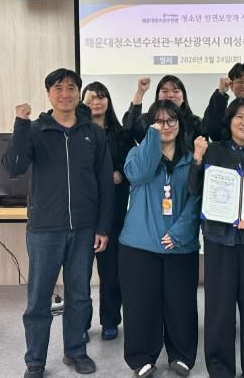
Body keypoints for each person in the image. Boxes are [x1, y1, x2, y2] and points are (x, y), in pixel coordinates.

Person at [2, 68, 114, 378]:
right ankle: (35, 361)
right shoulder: (35, 130)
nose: (65, 94)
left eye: (71, 88)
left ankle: (75, 351)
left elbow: (105, 183)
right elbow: (13, 167)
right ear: (48, 94)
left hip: (84, 229)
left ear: (78, 93)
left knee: (80, 295)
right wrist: (20, 124)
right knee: (39, 298)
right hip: (45, 230)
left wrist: (102, 227)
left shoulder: (93, 133)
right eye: (58, 88)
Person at [189, 98, 244, 378]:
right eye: (238, 117)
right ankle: (220, 369)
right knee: (219, 309)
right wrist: (197, 159)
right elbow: (194, 189)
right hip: (218, 239)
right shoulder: (213, 151)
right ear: (229, 121)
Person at [119, 99, 201, 378]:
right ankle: (141, 357)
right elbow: (139, 175)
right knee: (141, 304)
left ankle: (181, 355)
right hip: (139, 244)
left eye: (171, 120)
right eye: (158, 121)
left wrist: (179, 233)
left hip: (180, 245)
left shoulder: (191, 158)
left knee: (181, 304)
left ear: (180, 123)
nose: (165, 126)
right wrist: (151, 139)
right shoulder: (137, 153)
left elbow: (197, 198)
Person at [81, 82, 135, 341]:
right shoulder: (76, 132)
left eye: (102, 96)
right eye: (91, 97)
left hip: (113, 210)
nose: (97, 101)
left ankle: (110, 320)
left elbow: (132, 165)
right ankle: (80, 324)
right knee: (79, 273)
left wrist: (120, 174)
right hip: (82, 211)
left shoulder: (121, 134)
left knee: (111, 272)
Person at [122, 75, 203, 149]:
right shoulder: (147, 120)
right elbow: (130, 126)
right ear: (158, 96)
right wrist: (140, 91)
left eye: (176, 91)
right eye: (165, 91)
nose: (170, 95)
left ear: (183, 97)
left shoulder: (195, 123)